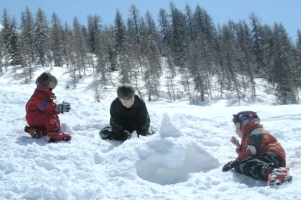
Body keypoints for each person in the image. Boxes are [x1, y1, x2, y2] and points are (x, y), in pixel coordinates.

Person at [222, 111, 292, 186]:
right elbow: (248, 154)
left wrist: (236, 162)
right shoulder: (250, 135)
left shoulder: (256, 133)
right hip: (271, 158)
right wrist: (239, 146)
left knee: (246, 164)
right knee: (242, 164)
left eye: (237, 127)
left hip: (273, 157)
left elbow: (249, 154)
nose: (236, 131)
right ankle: (275, 171)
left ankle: (275, 172)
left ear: (245, 124)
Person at [24, 72, 72, 142]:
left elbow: (48, 108)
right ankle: (54, 133)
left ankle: (33, 131)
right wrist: (57, 107)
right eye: (53, 85)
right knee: (51, 117)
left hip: (35, 118)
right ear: (48, 84)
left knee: (47, 127)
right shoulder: (39, 94)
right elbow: (44, 106)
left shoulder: (44, 94)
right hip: (35, 117)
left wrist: (59, 109)